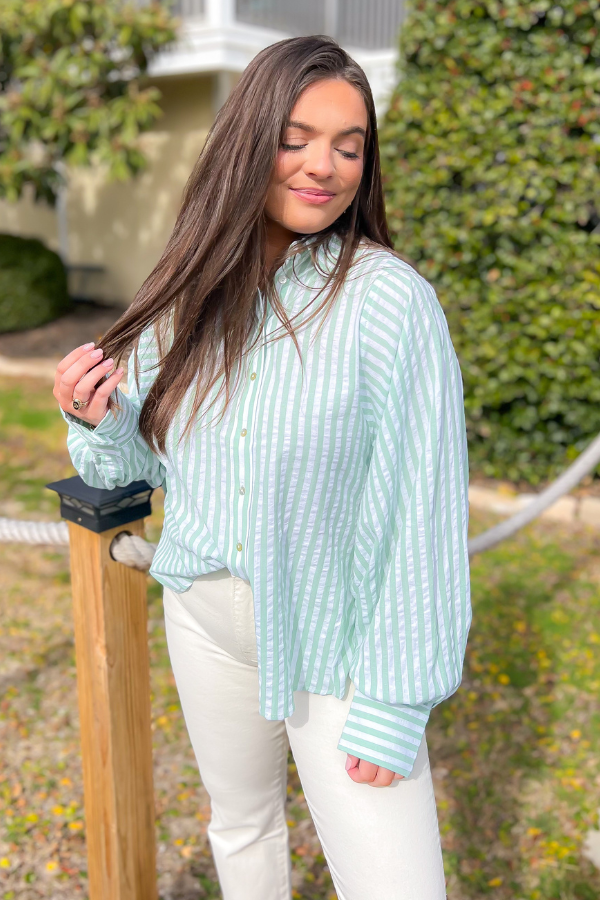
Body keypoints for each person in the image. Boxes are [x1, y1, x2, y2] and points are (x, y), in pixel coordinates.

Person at [54, 35, 471, 900]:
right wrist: (95, 417)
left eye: (350, 146)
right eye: (297, 137)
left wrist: (396, 703)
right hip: (203, 619)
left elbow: (421, 512)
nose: (326, 166)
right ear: (249, 140)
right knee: (241, 828)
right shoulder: (192, 289)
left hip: (338, 643)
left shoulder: (390, 302)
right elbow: (148, 460)